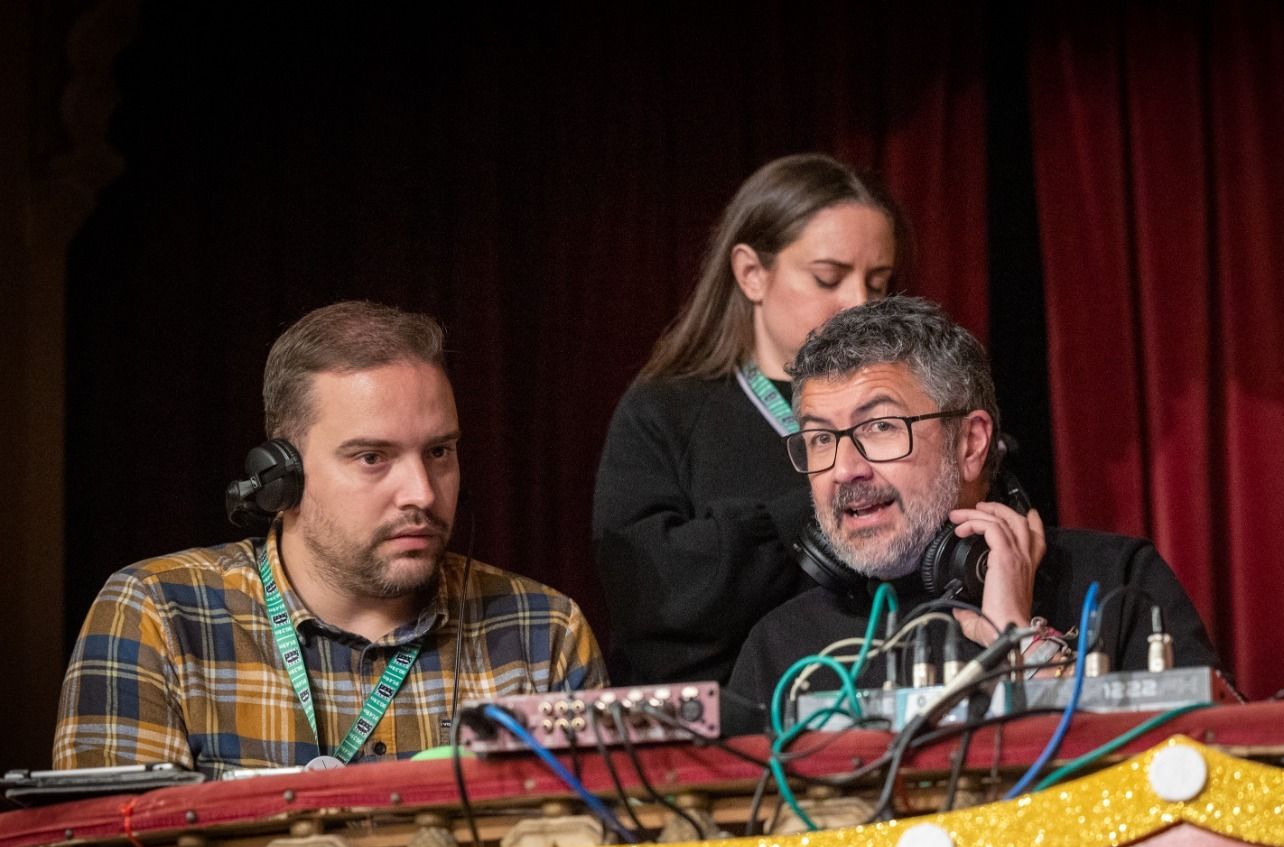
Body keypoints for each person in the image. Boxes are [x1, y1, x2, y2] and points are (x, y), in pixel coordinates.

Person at [55, 301, 605, 776]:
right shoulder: (158, 617)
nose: (422, 493)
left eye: (439, 452)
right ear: (280, 476)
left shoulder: (544, 633)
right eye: (372, 457)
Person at [726, 295, 1219, 733]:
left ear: (970, 443)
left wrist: (1021, 643)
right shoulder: (780, 648)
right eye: (819, 438)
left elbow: (1192, 773)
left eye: (879, 426)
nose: (845, 469)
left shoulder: (1118, 584)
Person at [592, 154, 901, 686]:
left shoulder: (910, 407)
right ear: (752, 273)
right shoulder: (665, 411)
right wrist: (813, 507)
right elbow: (651, 598)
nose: (859, 305)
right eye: (829, 278)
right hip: (728, 732)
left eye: (877, 283)